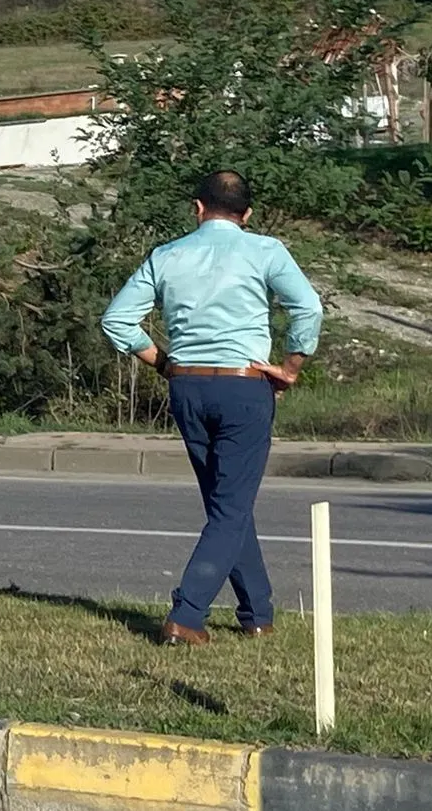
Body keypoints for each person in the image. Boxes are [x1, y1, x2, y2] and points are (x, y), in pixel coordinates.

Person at [100, 169, 324, 646]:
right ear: (247, 214)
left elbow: (117, 320)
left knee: (226, 505)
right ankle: (187, 614)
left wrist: (162, 363)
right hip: (245, 386)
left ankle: (256, 612)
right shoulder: (265, 250)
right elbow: (308, 308)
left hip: (186, 387)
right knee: (230, 506)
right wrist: (291, 366)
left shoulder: (167, 255)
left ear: (197, 208)